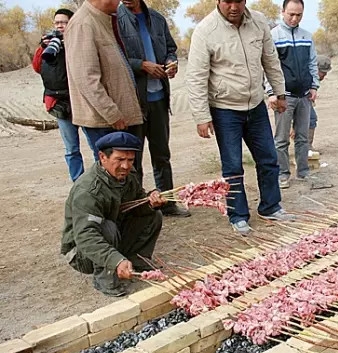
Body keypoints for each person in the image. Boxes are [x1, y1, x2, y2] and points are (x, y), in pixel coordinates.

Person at [186, 0, 295, 236]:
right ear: (218, 1)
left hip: (255, 105)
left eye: (239, 0)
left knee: (268, 158)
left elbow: (270, 60)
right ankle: (238, 215)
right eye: (228, 1)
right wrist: (201, 116)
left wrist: (279, 92)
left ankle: (270, 207)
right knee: (233, 166)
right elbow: (196, 77)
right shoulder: (206, 31)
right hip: (225, 109)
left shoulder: (258, 22)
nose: (234, 6)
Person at [61, 132, 167, 297]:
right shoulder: (89, 190)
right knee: (107, 226)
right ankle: (105, 278)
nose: (126, 166)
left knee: (153, 216)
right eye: (119, 159)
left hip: (112, 235)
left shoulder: (127, 177)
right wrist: (114, 260)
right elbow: (86, 236)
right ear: (103, 157)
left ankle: (136, 262)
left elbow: (136, 206)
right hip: (82, 252)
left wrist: (150, 202)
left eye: (130, 160)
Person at [117, 0, 189, 217]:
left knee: (161, 155)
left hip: (158, 98)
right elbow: (114, 59)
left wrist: (171, 61)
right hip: (133, 101)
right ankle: (138, 208)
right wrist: (141, 65)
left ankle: (166, 203)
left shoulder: (157, 19)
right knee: (132, 159)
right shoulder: (115, 20)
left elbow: (170, 48)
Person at [64, 0, 143, 149]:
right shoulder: (83, 24)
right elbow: (86, 79)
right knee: (112, 169)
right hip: (104, 122)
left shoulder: (102, 19)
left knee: (126, 169)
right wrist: (112, 114)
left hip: (115, 119)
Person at [32, 8, 96, 182]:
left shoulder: (80, 41)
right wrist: (43, 47)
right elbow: (38, 67)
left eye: (64, 22)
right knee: (71, 149)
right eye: (57, 22)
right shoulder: (48, 44)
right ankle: (79, 184)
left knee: (97, 145)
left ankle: (102, 181)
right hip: (60, 103)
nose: (60, 26)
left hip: (82, 102)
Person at [267, 0, 319, 189]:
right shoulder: (273, 36)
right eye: (291, 14)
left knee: (302, 137)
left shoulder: (307, 36)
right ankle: (282, 173)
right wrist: (271, 92)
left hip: (304, 95)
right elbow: (268, 66)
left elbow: (313, 62)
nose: (294, 18)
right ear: (282, 12)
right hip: (284, 97)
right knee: (281, 139)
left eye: (299, 15)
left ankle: (303, 172)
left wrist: (314, 86)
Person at [308, 55, 332, 152]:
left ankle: (307, 146)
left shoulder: (315, 78)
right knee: (310, 119)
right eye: (322, 72)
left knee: (311, 119)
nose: (324, 75)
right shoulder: (306, 75)